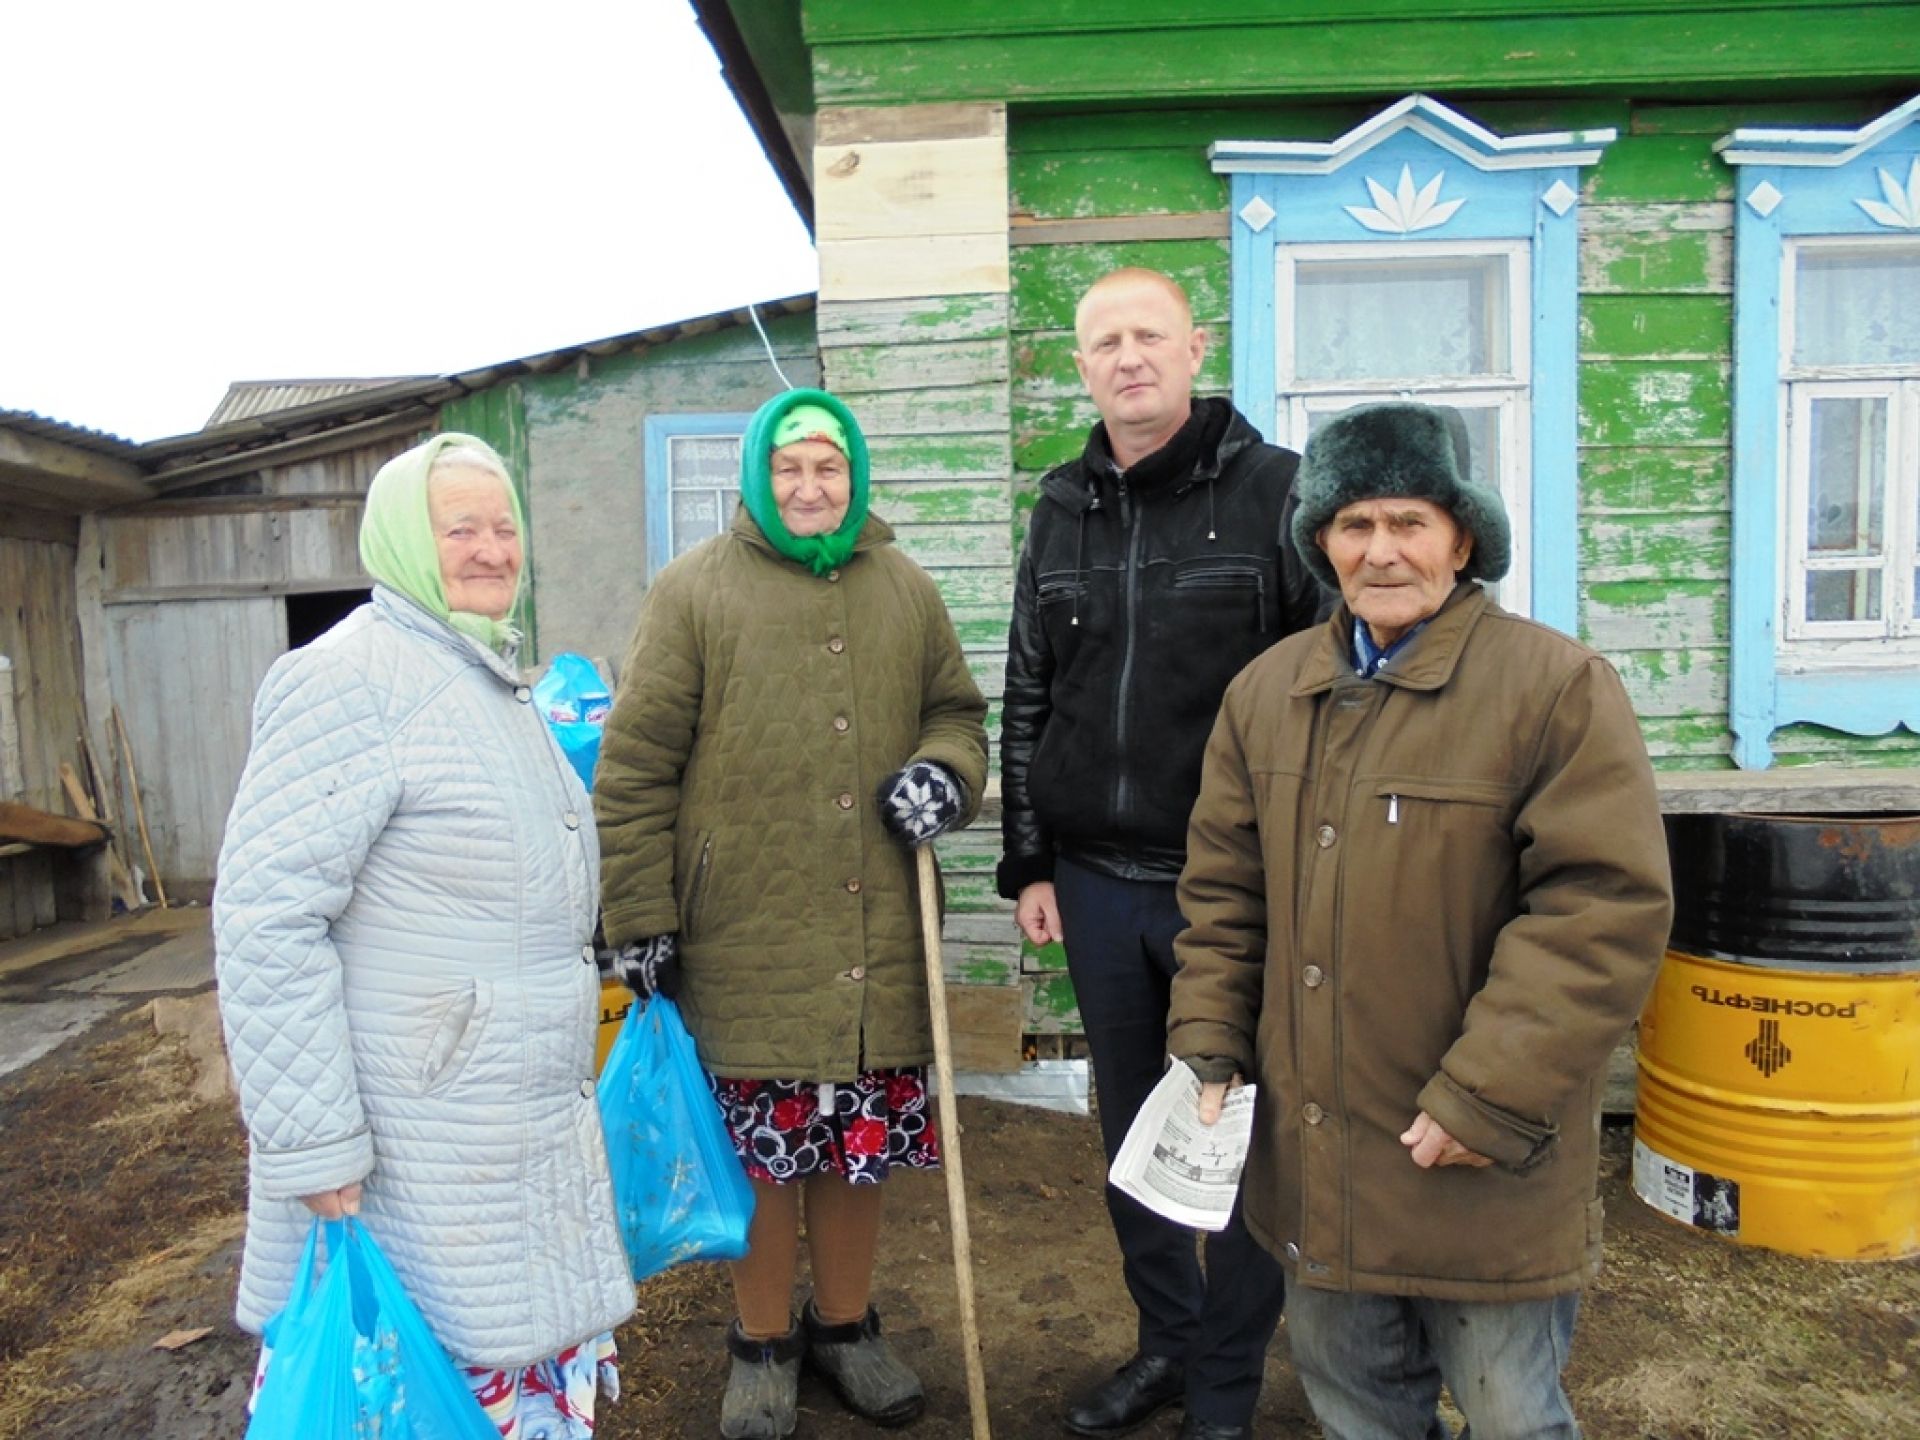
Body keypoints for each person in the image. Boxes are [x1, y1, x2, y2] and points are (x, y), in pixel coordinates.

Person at [1168, 402, 1675, 1440]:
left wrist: (1485, 1097)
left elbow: (1600, 910)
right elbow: (1224, 898)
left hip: (1478, 1163)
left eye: (1409, 523)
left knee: (1512, 1417)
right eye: (1354, 526)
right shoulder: (1265, 696)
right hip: (1322, 1161)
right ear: (1321, 544)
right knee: (1358, 1411)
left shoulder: (1554, 690)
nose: (1381, 551)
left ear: (1462, 538)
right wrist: (1211, 1046)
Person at [214, 433, 634, 1438]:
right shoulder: (351, 680)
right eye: (461, 530)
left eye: (504, 528)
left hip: (504, 1130)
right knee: (419, 1392)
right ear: (404, 540)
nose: (491, 550)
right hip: (413, 1141)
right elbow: (267, 915)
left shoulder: (490, 679)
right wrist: (311, 1139)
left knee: (496, 1375)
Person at [594, 388, 989, 1440]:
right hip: (745, 932)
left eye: (829, 468)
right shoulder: (694, 593)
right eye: (790, 469)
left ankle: (847, 1328)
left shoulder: (904, 587)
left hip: (879, 934)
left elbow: (957, 712)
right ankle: (761, 1342)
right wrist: (637, 913)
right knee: (766, 1159)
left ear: (855, 476)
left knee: (859, 1147)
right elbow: (634, 766)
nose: (811, 486)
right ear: (758, 478)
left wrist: (945, 776)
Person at [997, 267, 1320, 1440]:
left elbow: (1321, 693)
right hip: (1089, 880)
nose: (1127, 357)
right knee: (1133, 1131)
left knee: (1231, 1134)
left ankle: (1227, 1386)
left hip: (1229, 888)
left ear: (1193, 348)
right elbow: (1030, 683)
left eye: (1147, 336)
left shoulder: (1275, 493)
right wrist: (1029, 861)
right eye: (1102, 343)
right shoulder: (1061, 506)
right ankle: (1166, 1344)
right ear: (1081, 367)